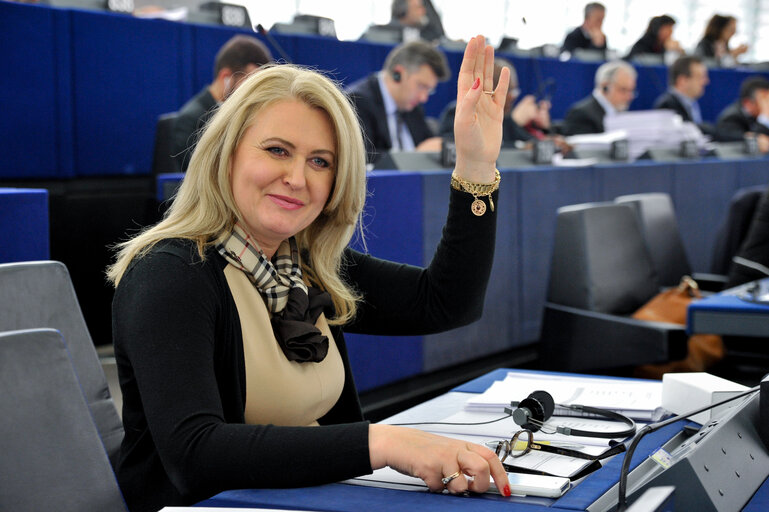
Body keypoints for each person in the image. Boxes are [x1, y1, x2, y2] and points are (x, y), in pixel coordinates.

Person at [107, 35, 512, 512]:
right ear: (227, 153)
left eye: (320, 161)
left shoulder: (306, 265)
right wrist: (381, 444)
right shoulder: (170, 272)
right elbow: (196, 454)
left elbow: (447, 301)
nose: (298, 178)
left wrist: (476, 166)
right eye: (277, 150)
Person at [171, 35, 273, 172]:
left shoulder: (247, 116)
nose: (255, 91)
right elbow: (199, 177)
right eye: (251, 82)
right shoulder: (190, 120)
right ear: (226, 77)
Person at [346, 40, 450, 164]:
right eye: (421, 86)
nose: (424, 98)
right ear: (398, 74)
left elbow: (428, 147)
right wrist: (415, 157)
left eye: (429, 90)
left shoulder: (412, 108)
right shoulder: (358, 102)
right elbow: (361, 158)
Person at [438, 58, 551, 147]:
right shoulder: (459, 111)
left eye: (515, 91)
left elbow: (528, 142)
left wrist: (547, 136)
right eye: (511, 90)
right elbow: (454, 148)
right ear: (492, 89)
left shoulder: (505, 115)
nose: (513, 97)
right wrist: (517, 121)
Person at [561, 60, 637, 135]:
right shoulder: (582, 115)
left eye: (631, 91)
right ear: (605, 87)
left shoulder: (621, 114)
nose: (630, 97)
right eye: (623, 90)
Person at [653, 55, 712, 133]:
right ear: (682, 81)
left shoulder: (690, 104)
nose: (706, 81)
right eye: (700, 77)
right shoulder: (667, 106)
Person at [715, 76, 769, 152]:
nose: (767, 104)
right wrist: (764, 118)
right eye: (763, 100)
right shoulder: (729, 120)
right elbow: (756, 143)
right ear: (748, 103)